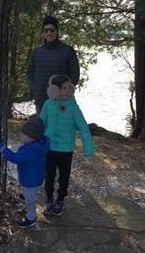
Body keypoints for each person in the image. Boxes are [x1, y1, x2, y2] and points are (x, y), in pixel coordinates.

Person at [40, 74, 94, 216]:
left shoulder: (73, 107)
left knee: (64, 177)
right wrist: (37, 142)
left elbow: (83, 127)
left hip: (65, 149)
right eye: (63, 88)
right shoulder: (48, 104)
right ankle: (49, 198)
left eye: (69, 88)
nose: (67, 91)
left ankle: (61, 199)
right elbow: (41, 124)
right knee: (49, 175)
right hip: (49, 148)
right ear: (54, 90)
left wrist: (88, 149)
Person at [0, 117, 49, 228]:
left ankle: (31, 218)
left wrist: (4, 150)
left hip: (31, 180)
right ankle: (29, 197)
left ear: (31, 138)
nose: (20, 136)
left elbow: (15, 158)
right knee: (30, 193)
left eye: (23, 135)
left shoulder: (30, 150)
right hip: (36, 177)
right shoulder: (37, 145)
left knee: (29, 202)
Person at [27, 15, 80, 116]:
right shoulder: (36, 52)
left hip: (61, 101)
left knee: (61, 130)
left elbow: (74, 75)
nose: (49, 33)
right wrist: (34, 91)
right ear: (42, 33)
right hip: (41, 101)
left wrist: (65, 92)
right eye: (46, 30)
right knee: (42, 130)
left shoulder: (68, 51)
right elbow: (30, 74)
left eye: (52, 30)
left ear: (57, 32)